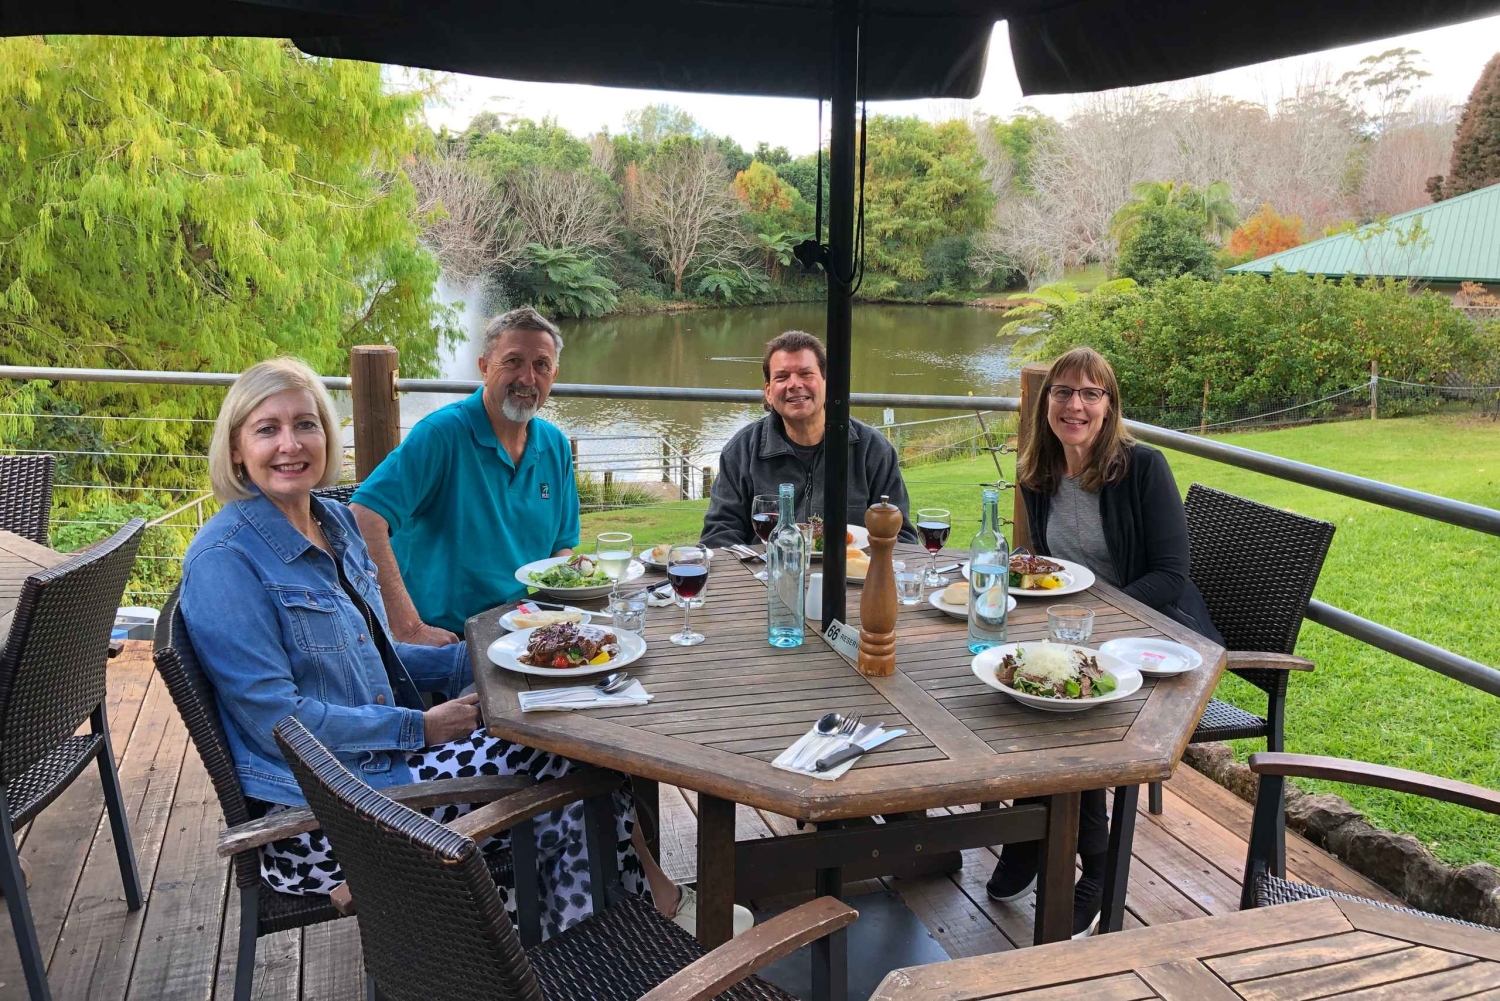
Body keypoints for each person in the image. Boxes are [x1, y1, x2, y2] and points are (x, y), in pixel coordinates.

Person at [181, 357, 746, 940]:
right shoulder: (226, 561)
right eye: (267, 429)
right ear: (235, 448)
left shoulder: (331, 523)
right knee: (567, 762)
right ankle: (612, 931)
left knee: (579, 726)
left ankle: (612, 923)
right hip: (329, 818)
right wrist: (420, 727)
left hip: (382, 767)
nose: (290, 444)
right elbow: (279, 720)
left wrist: (494, 654)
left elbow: (375, 653)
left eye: (306, 424)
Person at [986, 346, 1223, 937]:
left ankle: (1088, 863)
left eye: (1091, 394)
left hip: (1160, 638)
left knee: (1073, 710)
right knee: (1021, 687)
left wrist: (1098, 616)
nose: (1076, 405)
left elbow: (1172, 575)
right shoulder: (1039, 472)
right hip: (1081, 630)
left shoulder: (1143, 469)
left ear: (1109, 407)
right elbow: (1059, 566)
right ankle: (1037, 830)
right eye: (1064, 392)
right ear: (1047, 405)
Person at [351, 307, 579, 646]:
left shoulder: (555, 445)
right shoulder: (441, 435)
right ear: (485, 368)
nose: (528, 379)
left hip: (523, 626)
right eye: (513, 361)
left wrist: (569, 589)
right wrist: (408, 628)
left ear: (554, 375)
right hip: (451, 638)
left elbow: (562, 546)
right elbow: (362, 517)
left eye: (540, 365)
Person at [700, 330, 917, 548]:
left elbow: (903, 538)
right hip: (766, 576)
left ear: (827, 383)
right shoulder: (742, 451)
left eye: (805, 374)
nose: (794, 384)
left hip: (853, 577)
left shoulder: (873, 449)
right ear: (768, 392)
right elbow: (718, 537)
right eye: (782, 377)